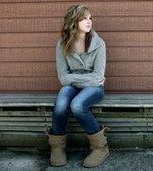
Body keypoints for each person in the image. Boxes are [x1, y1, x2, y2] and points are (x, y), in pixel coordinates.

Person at [47, 5, 109, 168]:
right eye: (84, 18)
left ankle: (100, 148)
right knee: (60, 105)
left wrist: (74, 78)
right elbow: (62, 77)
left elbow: (98, 77)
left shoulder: (99, 44)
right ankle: (57, 147)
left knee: (77, 105)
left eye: (90, 18)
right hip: (76, 85)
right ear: (73, 22)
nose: (89, 22)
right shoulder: (62, 44)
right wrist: (87, 79)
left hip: (94, 89)